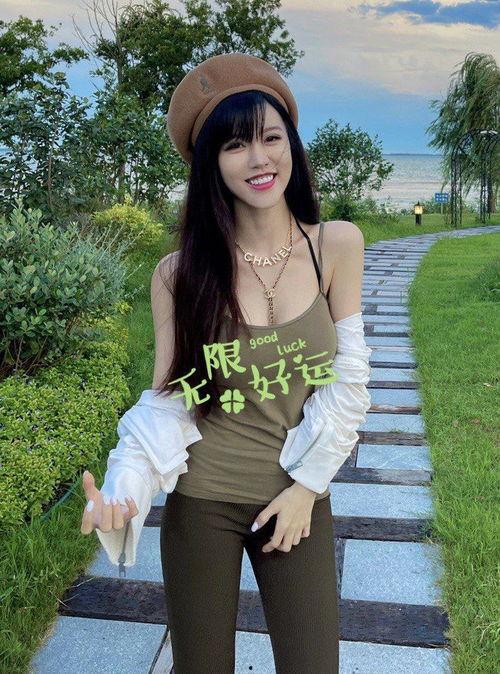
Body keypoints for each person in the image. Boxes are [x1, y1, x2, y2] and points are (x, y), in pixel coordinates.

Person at [80, 53, 372, 674]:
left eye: (271, 138)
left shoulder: (337, 246)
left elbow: (348, 381)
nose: (259, 159)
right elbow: (168, 398)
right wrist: (123, 490)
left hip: (295, 497)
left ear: (291, 144)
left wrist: (307, 488)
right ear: (210, 163)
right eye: (236, 145)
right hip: (202, 503)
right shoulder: (179, 274)